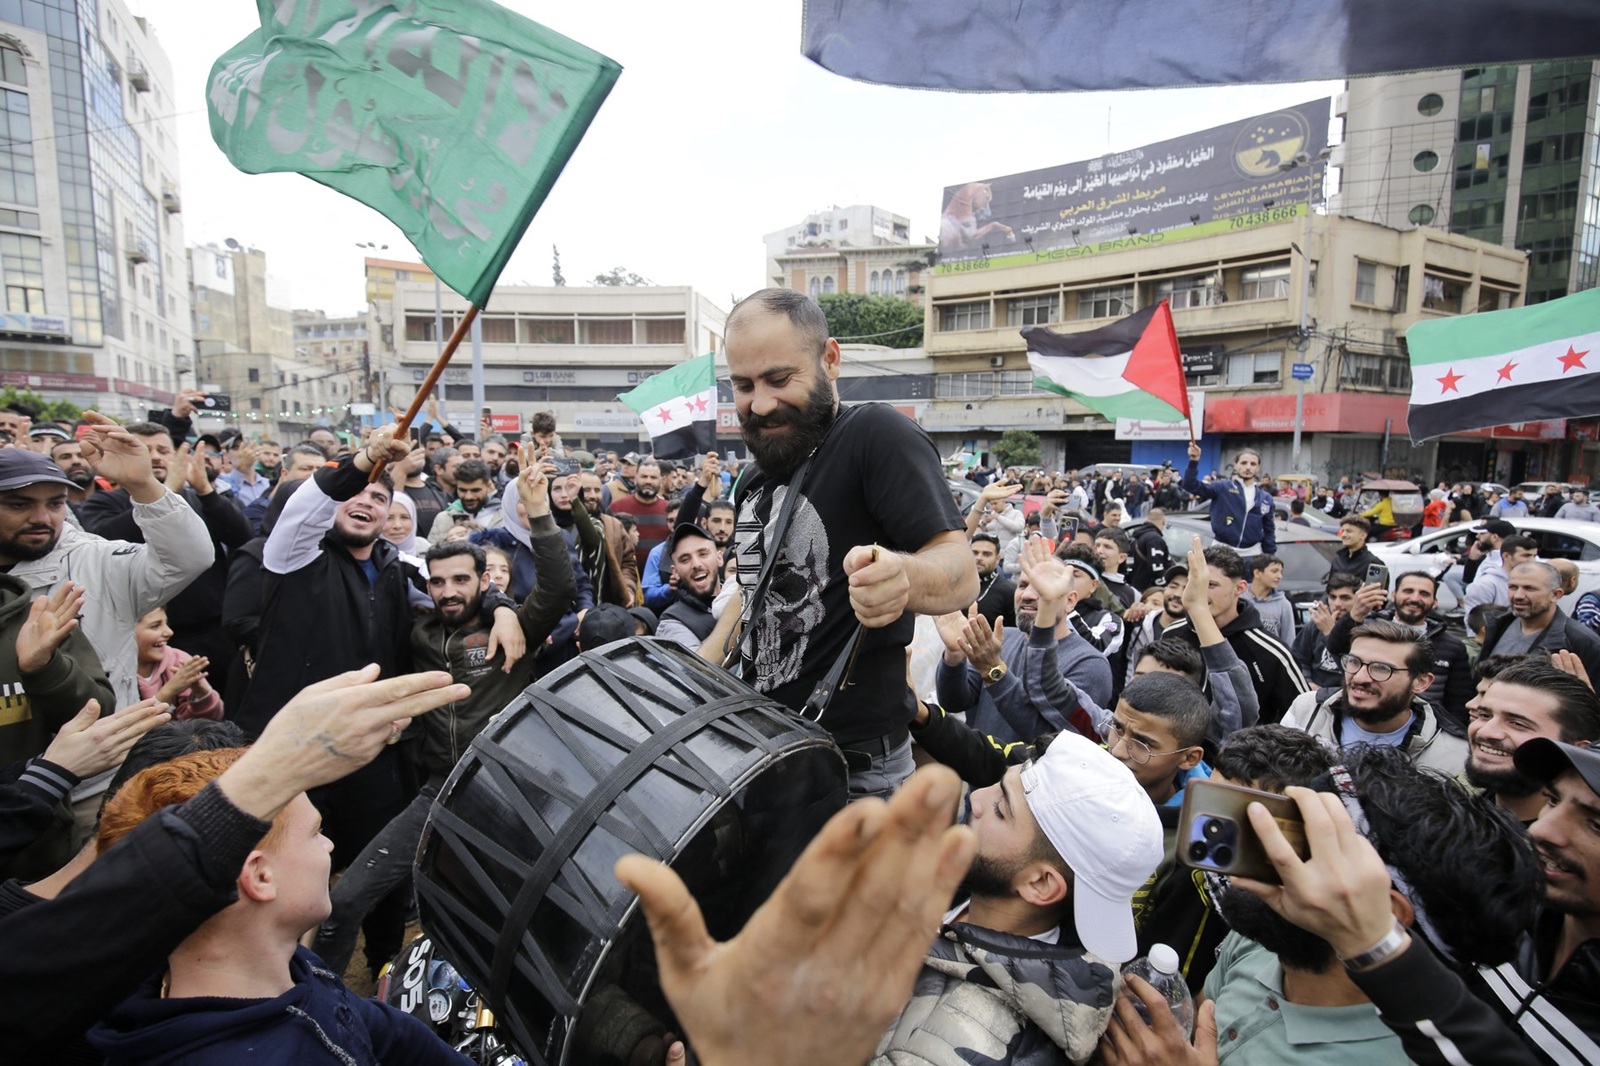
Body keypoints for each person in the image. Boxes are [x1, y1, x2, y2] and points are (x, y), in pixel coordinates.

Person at [0, 665, 469, 1060]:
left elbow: (375, 1025)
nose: (330, 848)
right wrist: (276, 765)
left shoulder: (290, 965)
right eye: (315, 833)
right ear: (259, 875)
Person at [704, 289, 975, 798]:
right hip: (759, 756)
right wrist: (697, 672)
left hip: (853, 774)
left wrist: (903, 577)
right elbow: (751, 596)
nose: (760, 404)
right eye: (743, 385)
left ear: (830, 359)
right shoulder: (754, 479)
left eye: (779, 379)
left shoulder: (875, 434)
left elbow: (960, 568)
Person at [312, 467, 573, 975]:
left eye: (460, 580)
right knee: (344, 903)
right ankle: (323, 1008)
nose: (448, 591)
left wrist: (539, 514)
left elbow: (560, 586)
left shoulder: (514, 626)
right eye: (438, 582)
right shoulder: (420, 634)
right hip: (440, 793)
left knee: (522, 918)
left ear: (483, 581)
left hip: (512, 795)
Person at [868, 730, 1164, 1064]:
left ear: (1040, 884)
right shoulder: (977, 884)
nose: (977, 798)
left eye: (1000, 809)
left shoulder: (939, 1051)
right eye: (999, 783)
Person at [83, 421, 252, 698]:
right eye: (144, 449)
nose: (155, 456)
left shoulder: (196, 498)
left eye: (163, 449)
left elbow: (241, 536)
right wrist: (160, 494)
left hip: (214, 630)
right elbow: (106, 541)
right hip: (148, 641)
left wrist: (206, 493)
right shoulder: (105, 502)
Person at [935, 538, 1111, 744]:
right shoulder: (1002, 638)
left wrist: (994, 671)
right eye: (1023, 585)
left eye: (1040, 587)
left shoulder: (1090, 664)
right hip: (979, 769)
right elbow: (954, 702)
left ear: (1070, 601)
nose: (1027, 595)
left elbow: (1049, 740)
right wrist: (954, 658)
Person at [1283, 619, 1468, 775]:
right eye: (1354, 662)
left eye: (1382, 668)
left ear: (1420, 682)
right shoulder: (1307, 710)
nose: (1360, 678)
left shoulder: (1454, 755)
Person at [1158, 543, 1309, 724]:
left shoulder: (1272, 653)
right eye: (1195, 583)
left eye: (1211, 585)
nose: (1199, 593)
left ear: (1239, 588)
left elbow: (1305, 719)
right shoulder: (1173, 634)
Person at [1324, 570, 1475, 736]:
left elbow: (1459, 702)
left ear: (1434, 602)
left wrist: (1448, 738)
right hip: (1361, 723)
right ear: (1394, 595)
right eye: (1408, 591)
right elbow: (1336, 647)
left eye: (1424, 594)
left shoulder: (1452, 646)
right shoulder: (1370, 629)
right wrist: (1356, 614)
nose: (1415, 598)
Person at [1467, 657, 1600, 824]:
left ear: (1576, 749)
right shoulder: (1451, 804)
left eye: (1517, 724)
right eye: (1485, 716)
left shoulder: (1565, 845)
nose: (1486, 731)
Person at [1480, 561, 1600, 681]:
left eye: (1529, 588)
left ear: (1555, 595)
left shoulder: (1582, 642)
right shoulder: (1497, 625)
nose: (1518, 595)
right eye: (1513, 587)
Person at [1182, 442, 1275, 555]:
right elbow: (1190, 485)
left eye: (1253, 464)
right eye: (1244, 463)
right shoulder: (1222, 487)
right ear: (1235, 465)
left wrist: (1270, 556)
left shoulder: (1266, 498)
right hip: (1221, 551)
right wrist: (1194, 460)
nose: (1248, 467)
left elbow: (1269, 530)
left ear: (1258, 468)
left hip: (1252, 553)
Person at [133, 606, 222, 721]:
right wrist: (169, 691)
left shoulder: (177, 660)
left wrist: (201, 693)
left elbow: (204, 722)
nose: (169, 632)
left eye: (166, 623)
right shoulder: (112, 671)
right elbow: (131, 727)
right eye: (155, 626)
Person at [656, 523, 723, 648]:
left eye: (703, 554)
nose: (696, 564)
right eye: (685, 560)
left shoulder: (744, 598)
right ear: (675, 572)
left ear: (719, 558)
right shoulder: (673, 621)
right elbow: (696, 666)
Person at [1294, 572, 1361, 688]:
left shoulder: (1364, 629)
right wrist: (1308, 682)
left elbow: (1355, 669)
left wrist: (1330, 633)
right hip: (1314, 692)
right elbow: (1298, 659)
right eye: (1333, 597)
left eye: (1345, 598)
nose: (1337, 604)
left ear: (1357, 599)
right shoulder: (1316, 625)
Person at [424, 458, 501, 545]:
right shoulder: (444, 519)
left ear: (488, 486)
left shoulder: (503, 517)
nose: (468, 497)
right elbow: (430, 554)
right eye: (462, 490)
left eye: (475, 490)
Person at [609, 459, 671, 560]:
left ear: (662, 480)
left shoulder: (670, 511)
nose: (648, 481)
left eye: (653, 477)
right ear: (635, 479)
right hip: (626, 572)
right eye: (644, 476)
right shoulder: (616, 508)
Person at [1243, 553, 1296, 644]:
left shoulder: (1283, 605)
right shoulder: (1239, 598)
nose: (1279, 576)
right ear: (1257, 573)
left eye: (1281, 572)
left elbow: (1289, 641)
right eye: (1274, 571)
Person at [969, 531, 1017, 629]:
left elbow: (1016, 635)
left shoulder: (1009, 591)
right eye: (975, 553)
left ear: (997, 559)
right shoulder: (956, 586)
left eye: (986, 554)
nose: (979, 558)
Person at [1326, 514, 1382, 583]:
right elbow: (1329, 589)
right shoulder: (1337, 560)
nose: (1343, 535)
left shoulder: (1374, 564)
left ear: (1363, 535)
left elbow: (1377, 591)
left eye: (1349, 531)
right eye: (1343, 531)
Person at [1095, 527, 1138, 609]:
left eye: (1107, 547)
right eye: (1097, 546)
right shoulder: (1084, 578)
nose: (1099, 551)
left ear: (1121, 557)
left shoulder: (1132, 594)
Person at [1128, 508, 1170, 592]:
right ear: (1163, 521)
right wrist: (1164, 586)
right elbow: (1156, 568)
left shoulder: (1138, 536)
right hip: (1149, 588)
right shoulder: (1155, 539)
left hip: (1137, 585)